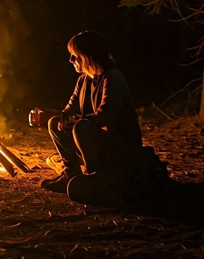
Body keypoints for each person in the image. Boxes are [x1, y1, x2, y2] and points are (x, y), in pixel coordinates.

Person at [40, 30, 142, 194]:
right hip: (95, 140)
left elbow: (106, 115)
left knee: (82, 126)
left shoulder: (113, 78)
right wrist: (62, 117)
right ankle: (71, 172)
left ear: (88, 55)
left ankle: (98, 176)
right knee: (54, 123)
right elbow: (70, 107)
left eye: (75, 55)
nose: (71, 60)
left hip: (119, 145)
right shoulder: (84, 80)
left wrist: (77, 122)